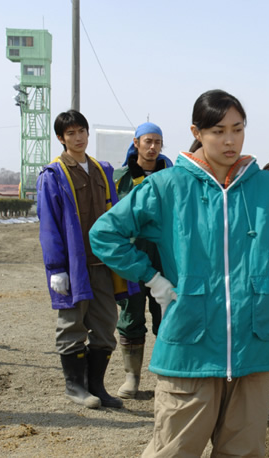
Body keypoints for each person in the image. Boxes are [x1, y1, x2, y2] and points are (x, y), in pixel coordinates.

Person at [89, 89, 269, 457]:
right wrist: (154, 280)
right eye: (217, 131)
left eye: (238, 128)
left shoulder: (268, 190)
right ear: (196, 132)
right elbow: (105, 234)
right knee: (174, 451)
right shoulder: (168, 187)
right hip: (190, 349)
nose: (229, 140)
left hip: (252, 348)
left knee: (244, 452)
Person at [37, 109, 133, 410]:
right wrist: (56, 268)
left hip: (103, 263)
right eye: (71, 133)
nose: (78, 138)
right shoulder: (53, 175)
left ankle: (97, 387)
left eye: (82, 131)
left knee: (106, 325)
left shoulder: (101, 169)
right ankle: (75, 388)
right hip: (74, 266)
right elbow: (49, 224)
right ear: (61, 139)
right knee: (72, 324)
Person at [112, 122, 173, 399]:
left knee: (167, 315)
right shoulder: (120, 179)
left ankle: (166, 375)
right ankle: (131, 378)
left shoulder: (173, 176)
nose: (153, 147)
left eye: (158, 142)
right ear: (136, 143)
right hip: (133, 257)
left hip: (165, 258)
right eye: (148, 141)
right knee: (130, 314)